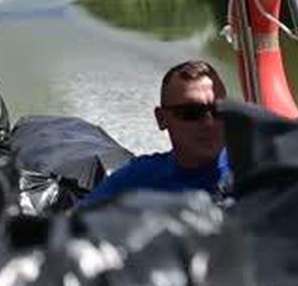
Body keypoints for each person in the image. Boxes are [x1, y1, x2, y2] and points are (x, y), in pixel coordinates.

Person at [84, 60, 231, 205]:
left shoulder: (250, 174)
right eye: (191, 112)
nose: (209, 123)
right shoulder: (137, 179)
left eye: (219, 109)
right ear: (161, 119)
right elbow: (73, 222)